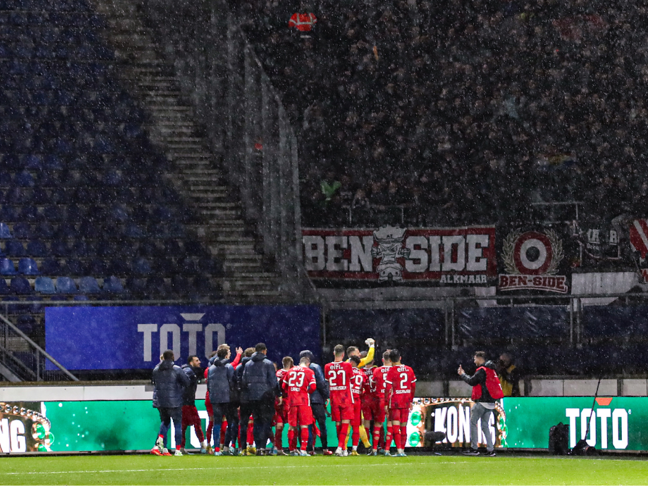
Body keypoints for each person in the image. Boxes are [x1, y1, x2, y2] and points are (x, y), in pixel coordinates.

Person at [458, 351, 504, 457]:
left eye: (475, 359)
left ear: (480, 358)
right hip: (491, 402)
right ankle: (491, 449)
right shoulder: (492, 370)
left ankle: (474, 448)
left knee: (473, 423)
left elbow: (472, 381)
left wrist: (462, 374)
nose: (474, 361)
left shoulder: (482, 370)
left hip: (482, 402)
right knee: (485, 426)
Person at [151, 350, 190, 457]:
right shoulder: (177, 369)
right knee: (177, 424)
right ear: (173, 357)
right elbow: (186, 382)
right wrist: (179, 390)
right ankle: (178, 450)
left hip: (161, 401)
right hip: (174, 401)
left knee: (165, 422)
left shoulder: (156, 369)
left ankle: (161, 442)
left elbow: (154, 383)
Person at [242, 343, 278, 456]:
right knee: (265, 422)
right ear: (264, 351)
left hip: (252, 397)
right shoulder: (268, 364)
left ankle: (258, 447)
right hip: (266, 397)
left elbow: (244, 380)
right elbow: (273, 382)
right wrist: (277, 394)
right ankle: (262, 447)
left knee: (256, 421)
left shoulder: (248, 364)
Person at [385, 349, 416, 457]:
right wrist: (411, 400)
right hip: (406, 401)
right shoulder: (409, 369)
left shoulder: (392, 370)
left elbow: (387, 388)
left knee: (395, 427)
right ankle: (402, 450)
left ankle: (399, 450)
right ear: (400, 358)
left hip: (395, 401)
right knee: (403, 427)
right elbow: (413, 386)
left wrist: (386, 403)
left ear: (390, 360)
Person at [324, 344, 355, 457]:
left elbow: (327, 381)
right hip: (345, 397)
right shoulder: (347, 365)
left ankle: (343, 448)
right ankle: (340, 447)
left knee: (338, 423)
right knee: (345, 423)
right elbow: (352, 380)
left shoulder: (327, 366)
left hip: (334, 398)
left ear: (334, 353)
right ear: (343, 354)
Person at [283, 355, 317, 456]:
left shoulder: (290, 371)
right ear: (308, 364)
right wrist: (306, 392)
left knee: (292, 426)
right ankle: (303, 450)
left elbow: (283, 386)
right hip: (303, 401)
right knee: (304, 425)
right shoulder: (309, 371)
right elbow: (313, 387)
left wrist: (290, 393)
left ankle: (292, 449)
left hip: (292, 401)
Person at [300, 349, 332, 455]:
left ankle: (309, 449)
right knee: (322, 424)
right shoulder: (315, 367)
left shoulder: (297, 369)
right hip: (317, 400)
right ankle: (325, 448)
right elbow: (321, 383)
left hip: (305, 400)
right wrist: (326, 396)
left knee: (307, 425)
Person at [207, 344, 236, 456]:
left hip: (215, 398)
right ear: (226, 355)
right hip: (226, 398)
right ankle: (229, 447)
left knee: (217, 423)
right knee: (231, 422)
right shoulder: (228, 367)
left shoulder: (211, 368)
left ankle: (217, 449)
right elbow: (232, 383)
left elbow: (209, 384)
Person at [180, 355, 209, 454]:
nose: (199, 362)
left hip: (184, 402)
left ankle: (181, 447)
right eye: (197, 360)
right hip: (188, 403)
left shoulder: (184, 370)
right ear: (191, 362)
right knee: (197, 423)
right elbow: (185, 387)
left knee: (183, 426)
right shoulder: (189, 372)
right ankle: (203, 445)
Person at [371, 350, 392, 456]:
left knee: (378, 424)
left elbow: (373, 385)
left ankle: (375, 449)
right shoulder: (394, 370)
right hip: (391, 400)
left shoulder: (377, 370)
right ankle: (387, 450)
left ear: (383, 360)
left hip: (380, 399)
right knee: (390, 424)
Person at [236, 347, 256, 455]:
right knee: (257, 423)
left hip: (243, 399)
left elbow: (237, 384)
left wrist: (238, 399)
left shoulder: (239, 367)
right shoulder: (255, 366)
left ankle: (243, 448)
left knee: (243, 424)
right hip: (254, 398)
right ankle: (257, 447)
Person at [273, 356, 294, 455]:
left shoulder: (278, 373)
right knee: (293, 425)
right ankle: (292, 448)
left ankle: (278, 448)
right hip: (289, 401)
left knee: (279, 425)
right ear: (291, 364)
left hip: (277, 401)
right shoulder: (292, 373)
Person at [348, 355, 367, 456]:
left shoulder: (347, 371)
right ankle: (354, 449)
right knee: (356, 426)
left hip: (348, 400)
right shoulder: (362, 374)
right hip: (357, 401)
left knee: (345, 425)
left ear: (351, 362)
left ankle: (343, 449)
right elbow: (364, 389)